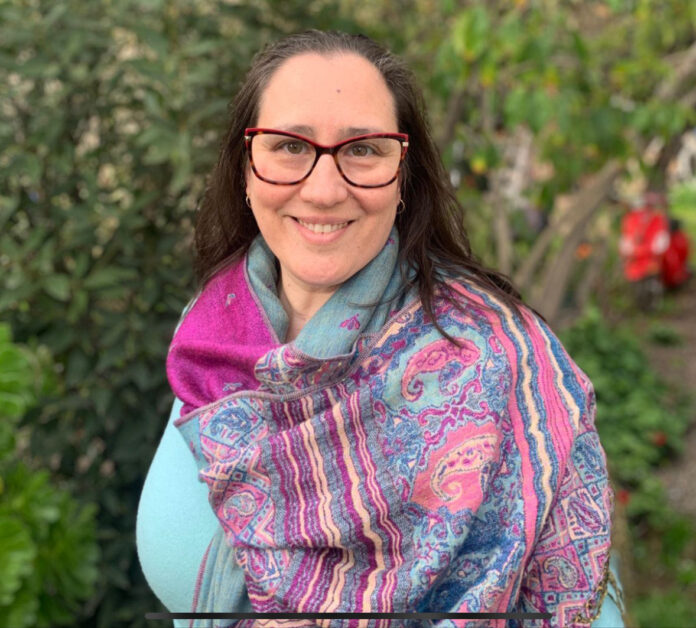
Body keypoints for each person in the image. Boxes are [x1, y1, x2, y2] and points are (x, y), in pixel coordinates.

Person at [137, 31, 622, 628]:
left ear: (402, 176)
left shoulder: (501, 357)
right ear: (247, 168)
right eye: (289, 145)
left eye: (363, 149)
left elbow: (579, 601)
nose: (322, 189)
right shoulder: (212, 328)